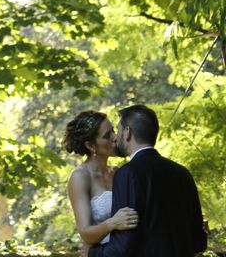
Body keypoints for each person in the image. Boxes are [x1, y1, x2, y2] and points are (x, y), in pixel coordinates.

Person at [86, 104, 207, 257]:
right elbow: (199, 242)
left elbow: (122, 248)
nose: (115, 137)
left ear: (127, 132)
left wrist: (92, 252)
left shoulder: (127, 173)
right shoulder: (183, 173)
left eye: (118, 130)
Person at [63, 110, 139, 249]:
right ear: (91, 146)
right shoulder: (80, 177)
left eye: (113, 130)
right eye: (107, 136)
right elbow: (85, 233)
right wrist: (112, 223)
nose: (115, 137)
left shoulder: (118, 172)